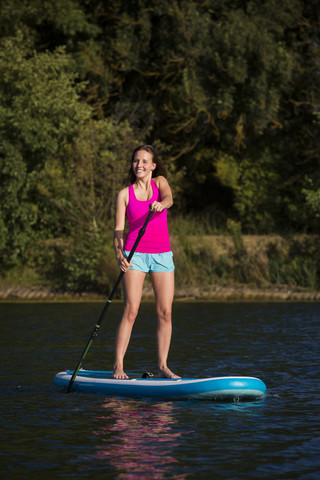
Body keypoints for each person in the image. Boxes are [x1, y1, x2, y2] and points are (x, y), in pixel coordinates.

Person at [113, 145, 180, 380]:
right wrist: (119, 253)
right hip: (134, 254)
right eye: (135, 161)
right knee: (131, 310)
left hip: (162, 255)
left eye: (144, 161)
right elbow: (119, 230)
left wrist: (162, 204)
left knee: (165, 312)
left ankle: (162, 366)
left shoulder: (160, 183)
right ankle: (118, 367)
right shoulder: (124, 194)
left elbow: (170, 198)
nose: (139, 165)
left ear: (152, 165)